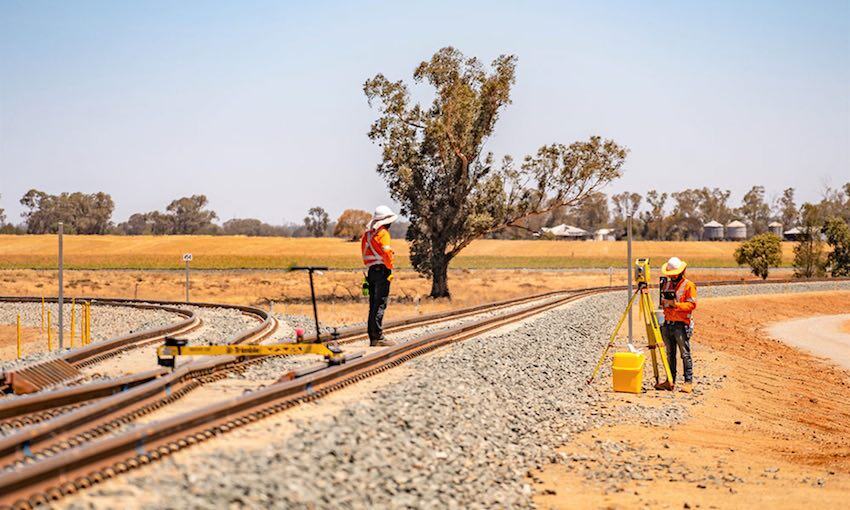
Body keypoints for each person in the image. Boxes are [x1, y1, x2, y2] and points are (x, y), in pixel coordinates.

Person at [657, 256, 697, 393]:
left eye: (674, 274)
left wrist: (676, 305)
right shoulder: (666, 284)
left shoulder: (689, 285)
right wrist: (666, 304)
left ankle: (688, 382)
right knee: (670, 353)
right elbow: (662, 301)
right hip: (668, 323)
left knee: (685, 354)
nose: (672, 277)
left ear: (681, 272)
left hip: (681, 325)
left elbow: (692, 305)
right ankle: (670, 380)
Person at [361, 205, 398, 347]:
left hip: (371, 272)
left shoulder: (367, 235)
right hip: (383, 271)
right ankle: (378, 337)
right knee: (380, 303)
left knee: (373, 304)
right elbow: (387, 253)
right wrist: (390, 268)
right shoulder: (383, 233)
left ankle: (373, 336)